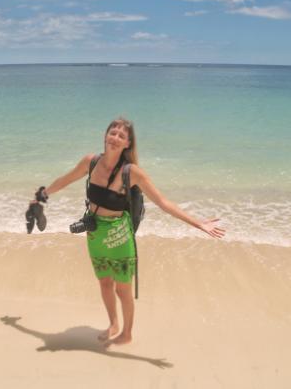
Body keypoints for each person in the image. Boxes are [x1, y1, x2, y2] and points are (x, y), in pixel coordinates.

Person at [28, 117, 225, 346]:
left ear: (127, 144)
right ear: (105, 136)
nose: (115, 138)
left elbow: (163, 202)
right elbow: (65, 180)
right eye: (113, 133)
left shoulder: (132, 173)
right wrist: (42, 196)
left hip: (120, 238)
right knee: (104, 284)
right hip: (95, 236)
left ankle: (127, 333)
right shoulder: (90, 162)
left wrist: (198, 223)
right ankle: (113, 323)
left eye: (121, 136)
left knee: (123, 290)